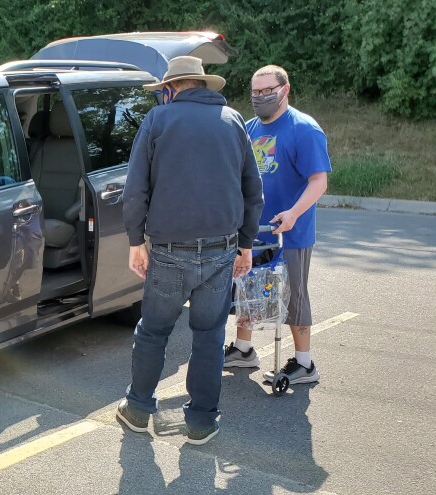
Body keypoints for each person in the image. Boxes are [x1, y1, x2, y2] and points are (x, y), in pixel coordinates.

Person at [116, 56, 263, 445]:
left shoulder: (157, 121)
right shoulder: (233, 122)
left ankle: (138, 408)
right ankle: (200, 421)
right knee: (209, 336)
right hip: (221, 252)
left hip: (167, 250)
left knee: (154, 331)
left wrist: (135, 242)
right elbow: (253, 190)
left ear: (172, 87)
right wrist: (245, 245)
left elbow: (136, 189)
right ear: (201, 85)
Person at [223, 65, 331, 385]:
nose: (259, 98)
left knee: (294, 295)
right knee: (248, 289)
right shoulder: (250, 127)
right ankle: (244, 350)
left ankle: (304, 364)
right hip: (254, 232)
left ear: (284, 90)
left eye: (267, 91)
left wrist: (294, 213)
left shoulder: (304, 129)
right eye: (255, 92)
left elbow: (319, 181)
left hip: (290, 233)